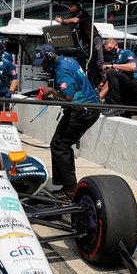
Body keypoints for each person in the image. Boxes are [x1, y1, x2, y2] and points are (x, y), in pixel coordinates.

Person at [34, 43, 100, 197]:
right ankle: (70, 185)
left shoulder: (61, 69)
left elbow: (68, 96)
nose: (43, 67)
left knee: (59, 144)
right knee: (62, 144)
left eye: (43, 63)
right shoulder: (69, 60)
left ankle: (69, 189)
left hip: (83, 110)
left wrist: (51, 92)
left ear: (50, 57)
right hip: (87, 108)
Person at [55, 0, 103, 86]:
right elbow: (71, 22)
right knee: (87, 62)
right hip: (87, 43)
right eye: (69, 7)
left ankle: (102, 80)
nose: (70, 8)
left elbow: (75, 20)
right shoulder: (73, 16)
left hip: (95, 38)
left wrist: (63, 21)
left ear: (76, 7)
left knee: (99, 61)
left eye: (71, 6)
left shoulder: (82, 12)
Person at [98, 37, 137, 117]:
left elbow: (132, 67)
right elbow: (109, 83)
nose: (109, 50)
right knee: (125, 115)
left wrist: (113, 66)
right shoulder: (114, 60)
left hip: (135, 82)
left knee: (111, 72)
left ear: (116, 45)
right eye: (107, 49)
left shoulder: (126, 53)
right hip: (125, 89)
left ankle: (115, 106)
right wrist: (97, 98)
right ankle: (117, 108)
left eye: (110, 48)